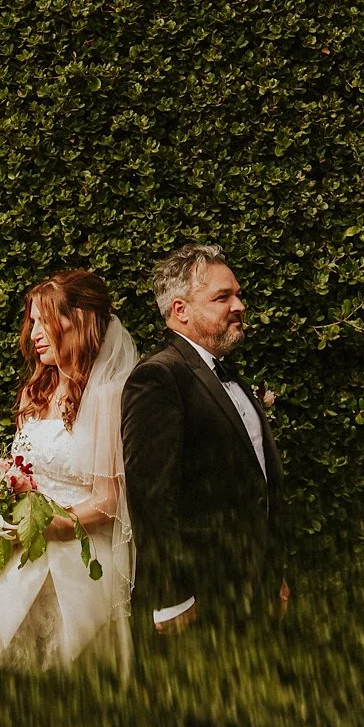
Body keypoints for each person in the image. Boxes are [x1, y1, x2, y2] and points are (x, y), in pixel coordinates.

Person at [0, 270, 139, 672]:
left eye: (45, 321)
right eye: (33, 321)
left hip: (80, 553)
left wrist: (53, 527)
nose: (34, 332)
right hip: (23, 548)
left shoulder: (110, 395)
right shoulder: (34, 392)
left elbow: (110, 500)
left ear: (82, 321)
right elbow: (23, 476)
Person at [122, 244, 284, 631]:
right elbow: (151, 497)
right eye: (222, 297)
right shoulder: (159, 377)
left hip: (253, 588)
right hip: (199, 596)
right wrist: (172, 597)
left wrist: (275, 573)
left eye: (238, 294)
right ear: (181, 310)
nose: (239, 305)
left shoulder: (226, 373)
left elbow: (258, 485)